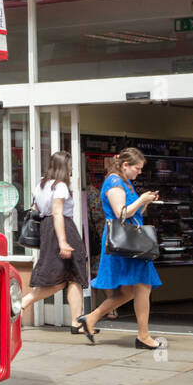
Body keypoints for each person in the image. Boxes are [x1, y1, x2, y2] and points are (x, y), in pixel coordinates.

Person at [77, 147, 164, 348]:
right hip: (126, 241)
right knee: (143, 285)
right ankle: (143, 336)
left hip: (129, 241)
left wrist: (146, 202)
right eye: (137, 168)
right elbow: (121, 214)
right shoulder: (114, 182)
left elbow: (133, 213)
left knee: (128, 291)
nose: (139, 172)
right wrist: (141, 199)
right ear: (125, 165)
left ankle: (90, 319)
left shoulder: (124, 182)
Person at [19, 150, 88, 329]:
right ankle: (24, 301)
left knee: (70, 277)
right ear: (64, 167)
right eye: (71, 165)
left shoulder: (41, 185)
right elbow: (58, 213)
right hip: (62, 228)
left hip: (47, 228)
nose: (72, 168)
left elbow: (36, 208)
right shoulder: (61, 186)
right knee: (70, 277)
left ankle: (76, 322)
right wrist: (63, 241)